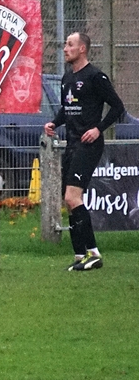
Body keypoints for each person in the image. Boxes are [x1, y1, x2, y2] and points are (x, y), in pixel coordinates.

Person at [44, 32, 125, 271]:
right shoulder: (67, 78)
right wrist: (54, 123)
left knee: (73, 197)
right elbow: (67, 108)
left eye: (70, 44)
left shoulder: (95, 76)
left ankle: (94, 253)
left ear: (82, 49)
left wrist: (98, 129)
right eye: (65, 44)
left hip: (88, 145)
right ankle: (80, 256)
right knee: (69, 201)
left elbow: (117, 107)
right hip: (71, 143)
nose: (65, 48)